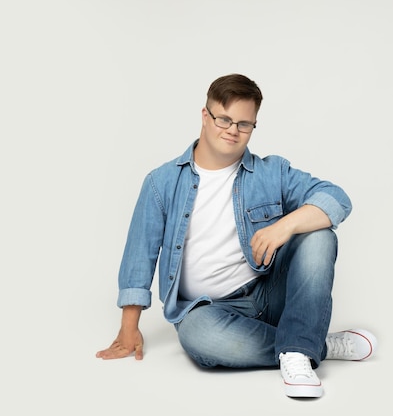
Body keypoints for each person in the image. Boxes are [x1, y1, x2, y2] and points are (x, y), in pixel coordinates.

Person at [96, 73, 378, 398]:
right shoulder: (162, 182)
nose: (233, 130)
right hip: (207, 311)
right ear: (205, 116)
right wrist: (129, 328)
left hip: (268, 293)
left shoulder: (272, 172)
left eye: (244, 124)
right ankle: (310, 345)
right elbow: (139, 253)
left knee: (319, 234)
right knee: (201, 340)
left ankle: (299, 346)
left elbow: (337, 198)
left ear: (254, 126)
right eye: (224, 119)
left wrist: (283, 226)